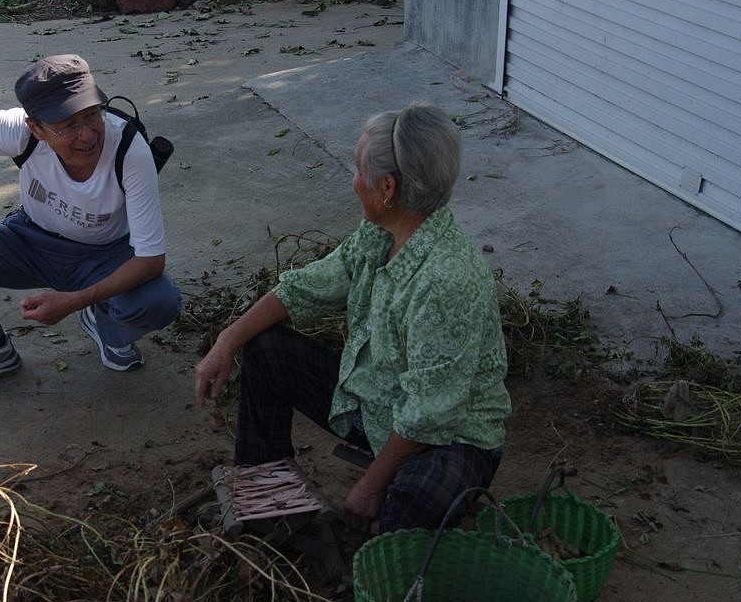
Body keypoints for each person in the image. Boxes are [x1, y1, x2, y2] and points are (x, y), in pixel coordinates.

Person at [194, 104, 511, 532]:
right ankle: (266, 504)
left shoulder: (444, 282)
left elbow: (428, 415)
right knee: (267, 351)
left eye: (358, 170)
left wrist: (369, 484)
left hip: (450, 436)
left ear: (387, 188)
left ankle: (384, 553)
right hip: (376, 405)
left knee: (414, 499)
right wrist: (226, 341)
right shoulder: (381, 232)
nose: (353, 181)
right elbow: (307, 286)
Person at [0, 54, 181, 395]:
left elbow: (151, 259)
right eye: (67, 126)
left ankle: (104, 321)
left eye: (93, 114)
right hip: (31, 242)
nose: (87, 135)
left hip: (104, 256)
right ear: (36, 127)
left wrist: (77, 300)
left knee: (159, 301)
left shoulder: (129, 149)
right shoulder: (19, 132)